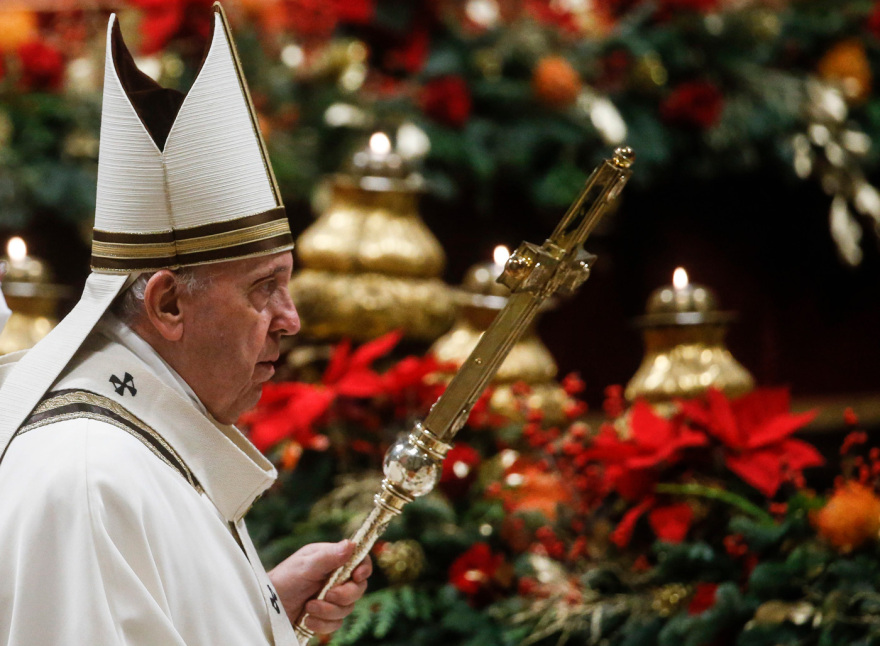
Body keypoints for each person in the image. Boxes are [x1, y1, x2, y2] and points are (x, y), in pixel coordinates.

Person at [0, 4, 369, 645]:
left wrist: (261, 610)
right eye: (264, 289)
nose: (292, 319)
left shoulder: (139, 435)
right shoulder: (90, 475)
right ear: (167, 305)